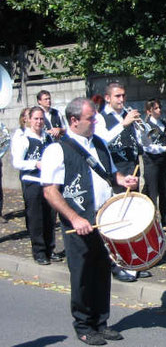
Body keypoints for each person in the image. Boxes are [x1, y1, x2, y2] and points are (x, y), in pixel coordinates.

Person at [41, 97, 138, 345]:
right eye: (90, 118)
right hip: (78, 224)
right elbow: (50, 190)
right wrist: (74, 218)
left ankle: (101, 322)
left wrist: (122, 180)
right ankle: (84, 325)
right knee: (83, 275)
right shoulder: (57, 149)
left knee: (102, 271)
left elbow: (109, 172)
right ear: (74, 121)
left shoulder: (99, 143)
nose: (95, 121)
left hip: (104, 220)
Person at [94, 83, 151, 282]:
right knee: (116, 222)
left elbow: (142, 143)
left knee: (132, 219)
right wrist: (123, 124)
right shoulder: (101, 118)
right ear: (107, 98)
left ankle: (132, 262)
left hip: (132, 170)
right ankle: (115, 264)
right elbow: (102, 142)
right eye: (117, 96)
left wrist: (144, 131)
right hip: (114, 174)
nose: (122, 99)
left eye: (123, 95)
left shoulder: (126, 115)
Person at [11, 106, 60, 264]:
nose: (39, 122)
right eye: (36, 119)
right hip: (32, 182)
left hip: (48, 181)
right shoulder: (23, 139)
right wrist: (35, 163)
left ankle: (50, 249)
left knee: (50, 216)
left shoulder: (47, 137)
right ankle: (39, 252)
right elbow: (17, 162)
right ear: (29, 120)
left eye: (41, 119)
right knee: (36, 218)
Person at [142, 98, 166, 228]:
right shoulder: (146, 125)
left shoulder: (164, 123)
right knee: (152, 191)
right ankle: (151, 221)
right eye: (155, 108)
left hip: (165, 159)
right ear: (149, 111)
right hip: (152, 161)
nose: (159, 110)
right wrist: (164, 148)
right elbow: (147, 146)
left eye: (159, 108)